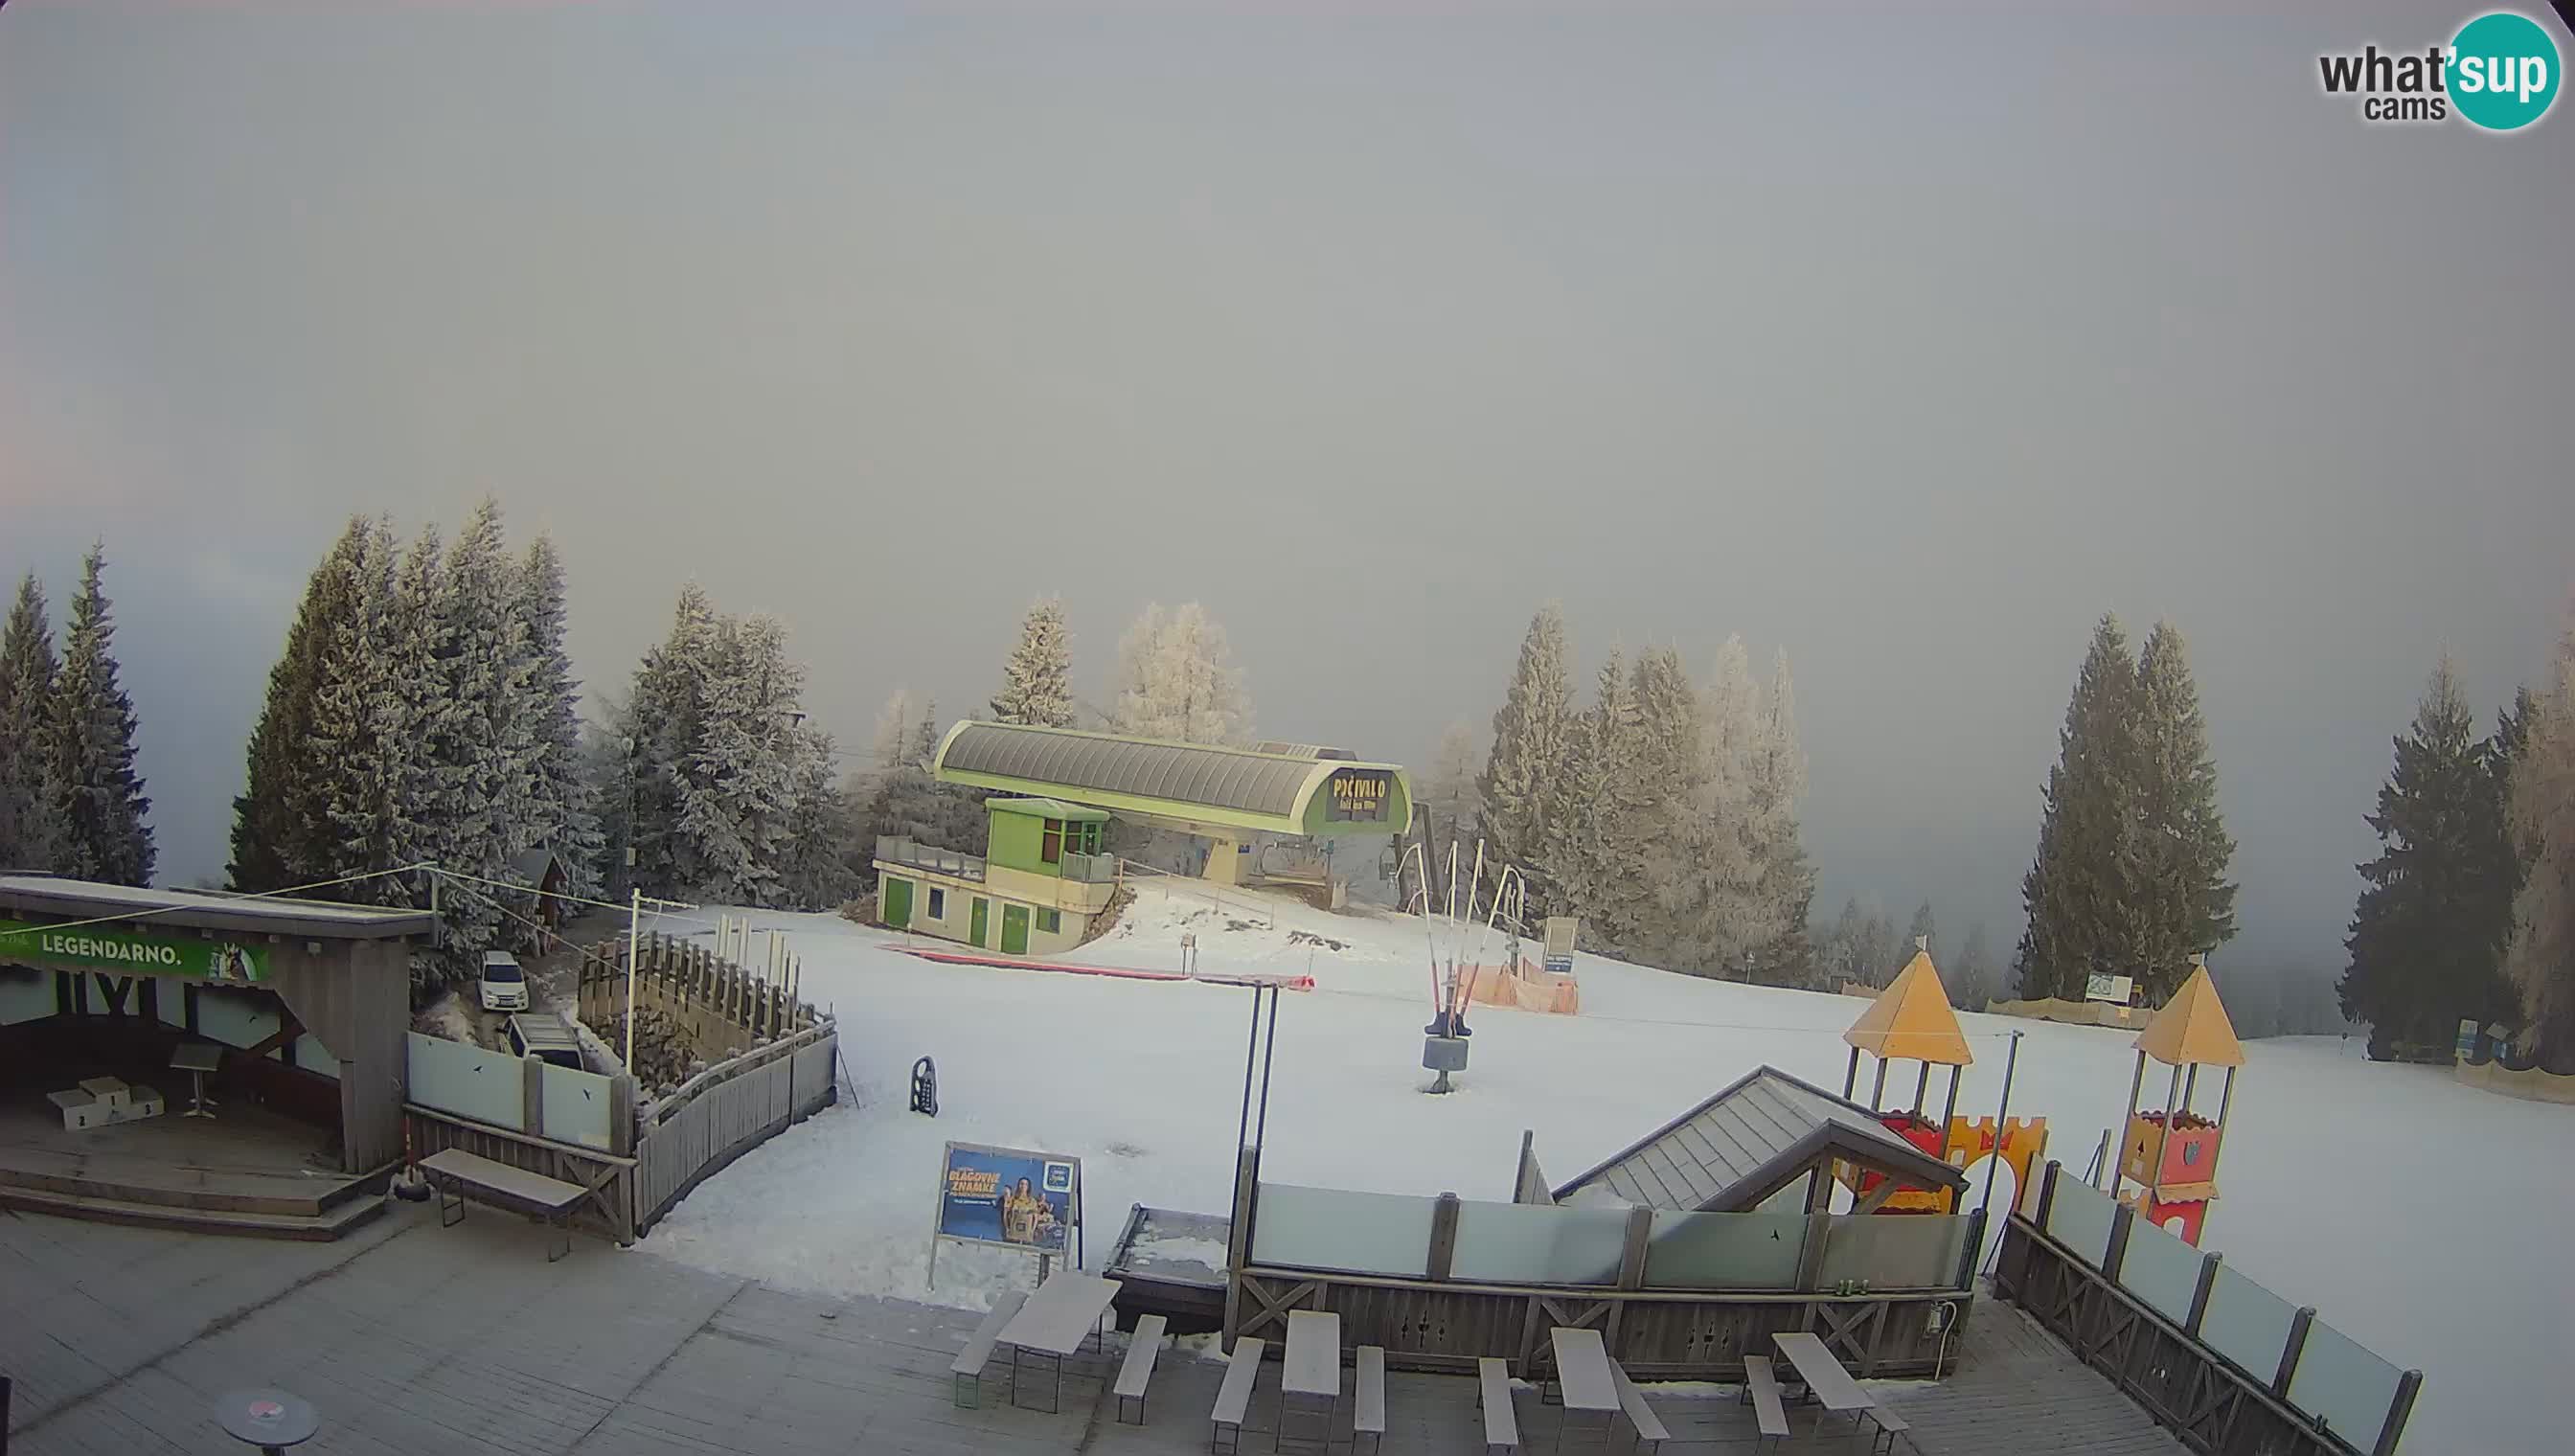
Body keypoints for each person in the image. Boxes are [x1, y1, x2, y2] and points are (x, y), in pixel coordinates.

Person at [1001, 1176, 1045, 1245]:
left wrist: (1032, 1231)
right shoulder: (1012, 1200)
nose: (1023, 1186)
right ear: (1018, 1185)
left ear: (1028, 1187)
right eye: (1021, 1184)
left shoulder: (1032, 1201)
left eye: (1026, 1184)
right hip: (1013, 1235)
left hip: (1026, 1236)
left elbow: (1035, 1218)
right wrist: (1007, 1228)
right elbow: (1005, 1215)